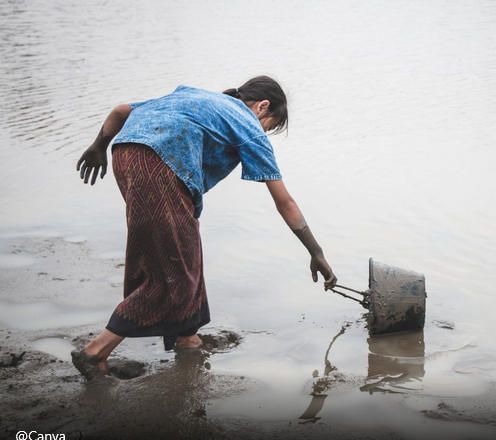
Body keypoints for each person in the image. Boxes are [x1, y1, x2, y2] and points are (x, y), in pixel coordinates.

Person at [71, 76, 337, 380]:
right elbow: (284, 202)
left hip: (126, 157)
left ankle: (188, 339)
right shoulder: (247, 123)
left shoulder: (195, 97)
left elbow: (121, 111)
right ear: (263, 107)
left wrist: (98, 146)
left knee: (183, 254)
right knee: (172, 273)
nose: (266, 132)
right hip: (161, 168)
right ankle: (96, 351)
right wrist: (315, 251)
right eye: (270, 125)